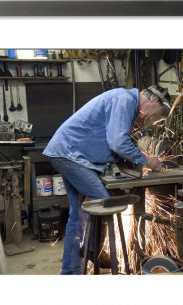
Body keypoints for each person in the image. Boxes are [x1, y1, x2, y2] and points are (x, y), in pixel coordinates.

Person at [43, 85, 172, 274]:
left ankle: (75, 267)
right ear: (153, 100)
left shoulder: (124, 100)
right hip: (71, 155)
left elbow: (111, 141)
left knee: (77, 215)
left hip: (67, 153)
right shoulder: (125, 100)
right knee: (105, 202)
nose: (153, 119)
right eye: (158, 114)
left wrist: (127, 157)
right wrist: (147, 161)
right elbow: (118, 142)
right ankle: (91, 256)